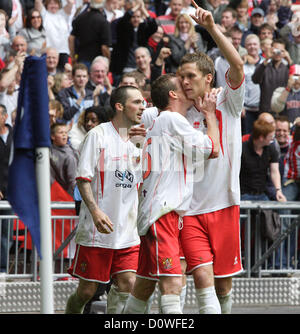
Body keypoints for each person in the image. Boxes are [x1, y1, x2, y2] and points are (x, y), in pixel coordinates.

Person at [123, 73, 219, 314]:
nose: (187, 85)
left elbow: (146, 110)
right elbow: (213, 149)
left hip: (158, 210)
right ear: (173, 95)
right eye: (181, 84)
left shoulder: (156, 117)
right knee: (173, 282)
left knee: (144, 285)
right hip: (162, 211)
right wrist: (209, 114)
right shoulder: (171, 120)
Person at [178, 1, 245, 314]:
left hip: (224, 204)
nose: (184, 82)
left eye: (190, 76)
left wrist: (212, 28)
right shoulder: (178, 111)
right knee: (201, 277)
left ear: (208, 78)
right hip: (189, 209)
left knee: (223, 284)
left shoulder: (227, 102)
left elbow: (238, 67)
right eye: (181, 77)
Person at [65, 85, 145, 314]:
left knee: (128, 284)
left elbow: (139, 186)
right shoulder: (97, 135)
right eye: (136, 102)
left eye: (143, 102)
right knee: (87, 292)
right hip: (97, 232)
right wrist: (96, 211)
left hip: (127, 233)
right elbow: (83, 179)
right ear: (120, 106)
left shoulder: (139, 143)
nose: (142, 107)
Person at [240, 119, 286, 202]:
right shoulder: (242, 149)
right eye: (270, 137)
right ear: (261, 137)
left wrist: (278, 190)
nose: (272, 139)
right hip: (244, 194)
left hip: (262, 194)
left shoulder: (271, 148)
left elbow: (274, 171)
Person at [69, 0, 111, 69]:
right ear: (102, 6)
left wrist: (72, 56)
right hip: (97, 62)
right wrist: (108, 60)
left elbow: (71, 38)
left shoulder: (80, 18)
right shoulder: (103, 22)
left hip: (81, 59)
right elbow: (104, 47)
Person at [252, 38, 290, 115]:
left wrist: (289, 60)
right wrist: (267, 59)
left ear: (284, 52)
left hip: (282, 110)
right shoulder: (264, 66)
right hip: (265, 110)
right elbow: (255, 80)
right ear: (271, 50)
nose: (278, 53)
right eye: (276, 50)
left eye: (281, 51)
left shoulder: (287, 69)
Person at [35, 0, 74, 71]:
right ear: (46, 5)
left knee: (64, 75)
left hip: (63, 51)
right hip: (48, 52)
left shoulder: (63, 14)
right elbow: (37, 1)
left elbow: (71, 2)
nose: (53, 6)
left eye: (56, 4)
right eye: (50, 4)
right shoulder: (44, 14)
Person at [0, 104, 13, 272]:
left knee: (7, 233)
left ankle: (3, 269)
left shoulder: (16, 136)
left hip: (11, 193)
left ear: (5, 117)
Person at [242, 33, 264, 134]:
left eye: (255, 44)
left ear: (259, 46)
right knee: (247, 137)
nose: (252, 47)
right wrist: (241, 106)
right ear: (245, 46)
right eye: (249, 44)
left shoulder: (266, 63)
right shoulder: (241, 64)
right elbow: (240, 86)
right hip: (247, 109)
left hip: (262, 109)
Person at [50, 123, 79, 197]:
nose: (64, 135)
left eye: (66, 132)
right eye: (61, 132)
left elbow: (73, 181)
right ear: (53, 136)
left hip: (68, 195)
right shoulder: (48, 152)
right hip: (53, 192)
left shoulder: (72, 153)